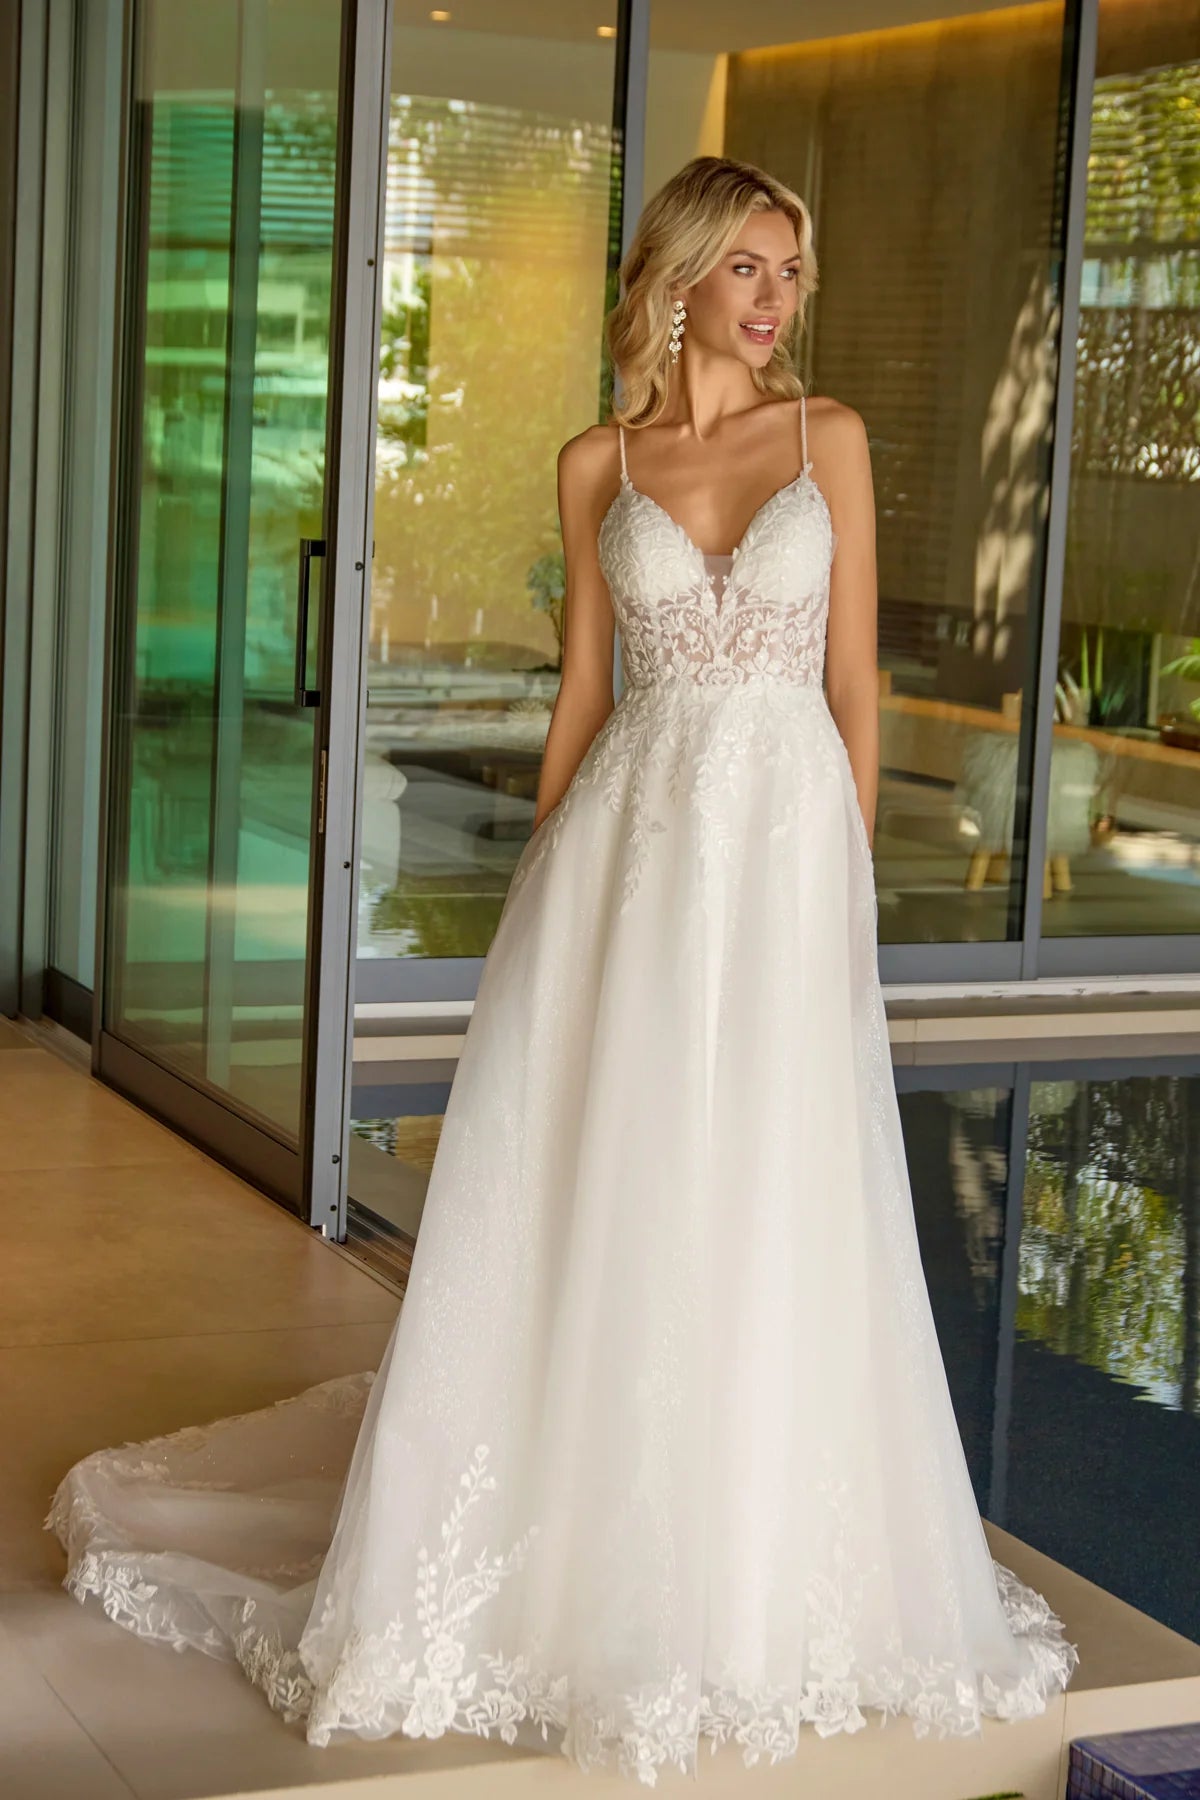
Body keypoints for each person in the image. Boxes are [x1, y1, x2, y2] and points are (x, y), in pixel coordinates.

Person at [46, 155, 1079, 1788]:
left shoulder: (831, 440)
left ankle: (754, 1548)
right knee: (626, 1176)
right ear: (678, 277)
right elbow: (587, 690)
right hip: (628, 866)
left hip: (784, 864)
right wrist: (536, 889)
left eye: (791, 273)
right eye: (748, 268)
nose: (776, 300)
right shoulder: (596, 462)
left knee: (773, 1182)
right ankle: (592, 1528)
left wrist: (850, 887)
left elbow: (852, 687)